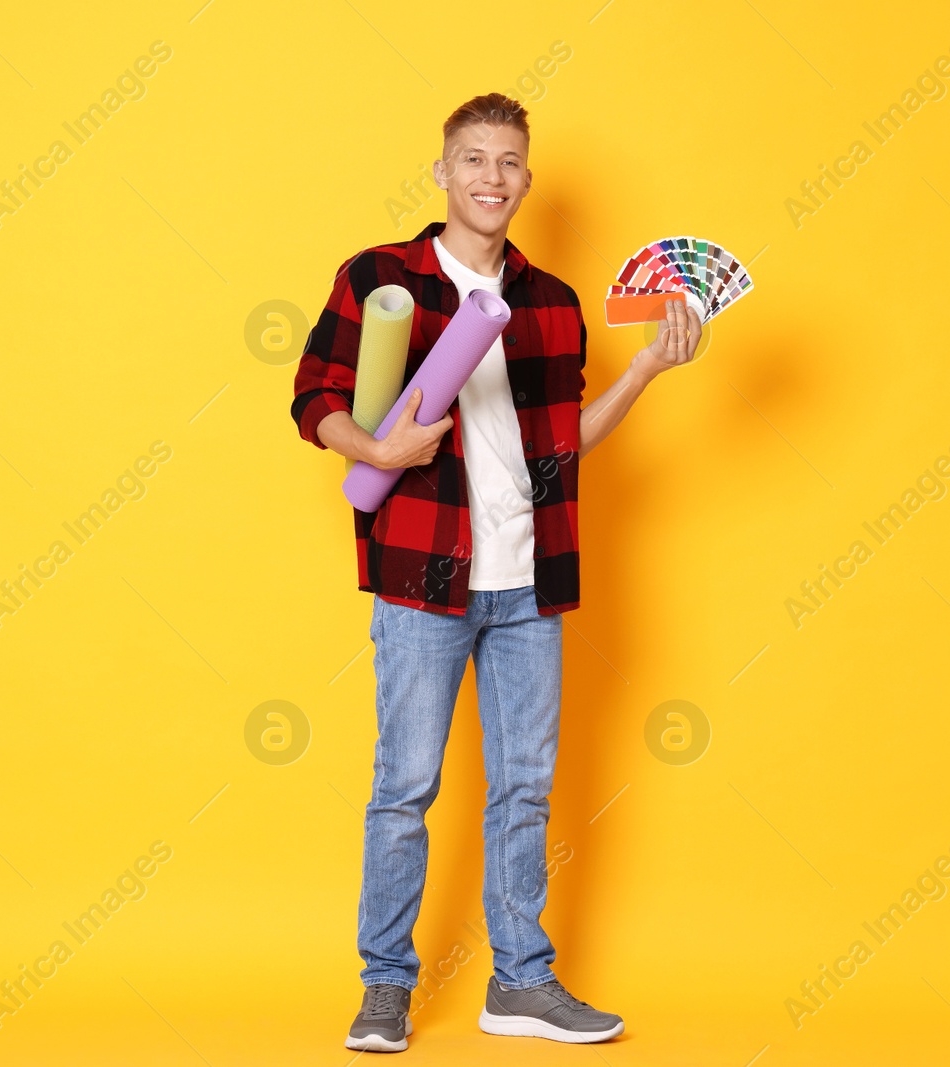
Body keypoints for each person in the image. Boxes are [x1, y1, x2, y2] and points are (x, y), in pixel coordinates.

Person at [290, 91, 701, 1053]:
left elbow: (562, 449)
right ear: (442, 171)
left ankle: (521, 982)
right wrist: (380, 452)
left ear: (527, 177)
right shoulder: (383, 278)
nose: (491, 176)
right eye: (472, 158)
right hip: (424, 577)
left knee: (524, 790)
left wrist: (641, 374)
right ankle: (385, 986)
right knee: (406, 788)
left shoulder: (551, 303)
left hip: (528, 582)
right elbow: (315, 398)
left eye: (509, 161)